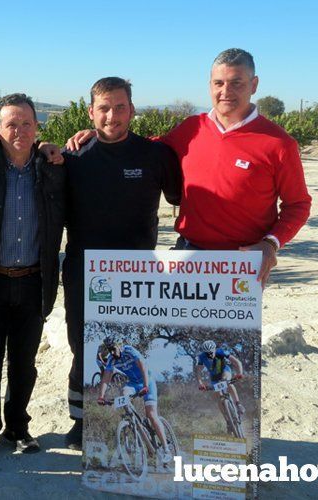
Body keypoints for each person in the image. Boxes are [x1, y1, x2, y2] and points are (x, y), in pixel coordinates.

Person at [67, 49, 312, 286]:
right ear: (210, 86)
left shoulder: (279, 143)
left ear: (254, 84)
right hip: (188, 254)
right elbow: (145, 148)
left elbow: (298, 204)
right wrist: (99, 136)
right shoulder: (191, 128)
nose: (225, 91)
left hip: (242, 261)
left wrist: (270, 244)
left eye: (236, 82)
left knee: (225, 331)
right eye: (218, 83)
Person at [60, 77, 181, 449]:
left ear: (132, 108)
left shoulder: (156, 155)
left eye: (120, 106)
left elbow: (185, 199)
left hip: (136, 274)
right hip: (84, 271)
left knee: (131, 348)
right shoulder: (72, 157)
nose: (112, 115)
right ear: (90, 111)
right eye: (104, 107)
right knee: (84, 348)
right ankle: (82, 422)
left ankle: (139, 418)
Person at [0, 94, 65, 458]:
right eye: (11, 124)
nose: (19, 130)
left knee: (24, 364)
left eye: (26, 123)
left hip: (33, 281)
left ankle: (17, 428)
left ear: (37, 127)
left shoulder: (54, 167)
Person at [95, 338, 173, 463]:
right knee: (124, 394)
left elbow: (143, 366)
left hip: (147, 380)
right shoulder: (111, 360)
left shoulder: (129, 351)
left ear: (119, 346)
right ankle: (134, 421)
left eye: (114, 349)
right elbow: (105, 379)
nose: (113, 353)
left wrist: (146, 385)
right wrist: (101, 396)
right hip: (132, 384)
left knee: (152, 415)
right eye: (110, 351)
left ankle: (166, 449)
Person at [194, 340, 245, 434]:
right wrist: (200, 383)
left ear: (214, 349)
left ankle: (238, 404)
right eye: (207, 353)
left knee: (227, 382)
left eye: (211, 352)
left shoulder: (220, 352)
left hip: (225, 371)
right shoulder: (201, 357)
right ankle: (228, 421)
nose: (210, 355)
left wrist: (240, 373)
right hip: (214, 377)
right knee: (218, 395)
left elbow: (236, 362)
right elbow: (198, 372)